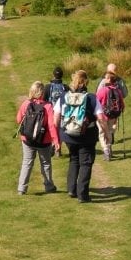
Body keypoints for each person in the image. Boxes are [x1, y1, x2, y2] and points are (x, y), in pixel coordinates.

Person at [54, 70, 101, 203]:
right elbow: (101, 117)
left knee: (74, 159)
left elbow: (56, 118)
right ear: (85, 82)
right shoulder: (91, 98)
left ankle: (71, 189)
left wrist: (58, 135)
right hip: (87, 136)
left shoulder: (63, 97)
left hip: (69, 136)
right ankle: (83, 194)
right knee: (86, 163)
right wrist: (106, 133)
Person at [16, 81, 60, 195]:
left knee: (27, 162)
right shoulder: (48, 106)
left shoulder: (26, 103)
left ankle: (22, 188)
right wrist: (56, 141)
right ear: (42, 93)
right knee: (45, 163)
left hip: (27, 139)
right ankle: (49, 186)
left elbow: (18, 119)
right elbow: (51, 125)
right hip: (44, 140)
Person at [95, 70, 125, 161]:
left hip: (103, 116)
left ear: (108, 80)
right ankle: (109, 148)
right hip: (113, 116)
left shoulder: (102, 91)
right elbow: (122, 105)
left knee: (102, 133)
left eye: (105, 77)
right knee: (110, 132)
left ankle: (106, 150)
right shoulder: (118, 91)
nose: (104, 79)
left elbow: (96, 102)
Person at [43, 66, 67, 155]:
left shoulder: (48, 87)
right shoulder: (65, 87)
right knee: (60, 130)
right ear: (62, 76)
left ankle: (52, 144)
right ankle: (58, 148)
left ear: (53, 75)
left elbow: (44, 100)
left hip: (51, 112)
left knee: (51, 129)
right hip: (62, 112)